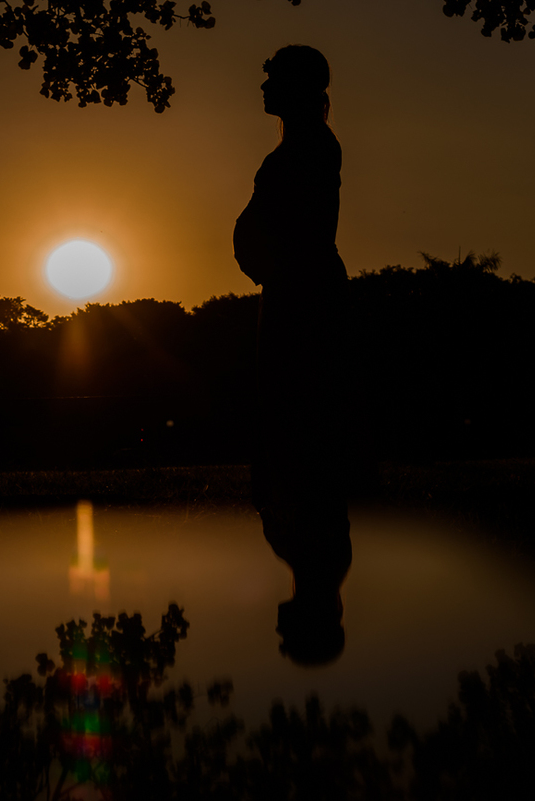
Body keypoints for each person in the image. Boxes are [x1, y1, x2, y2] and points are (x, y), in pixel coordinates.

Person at [233, 45, 351, 661]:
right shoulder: (303, 146)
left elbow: (296, 229)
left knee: (299, 415)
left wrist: (268, 261)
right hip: (291, 292)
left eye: (272, 78)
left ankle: (302, 490)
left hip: (301, 295)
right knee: (289, 415)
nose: (263, 87)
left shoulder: (309, 148)